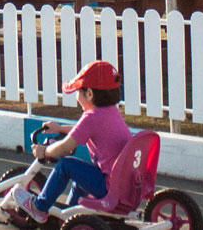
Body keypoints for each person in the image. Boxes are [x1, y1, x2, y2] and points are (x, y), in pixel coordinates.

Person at [7, 60, 130, 222]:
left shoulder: (91, 117)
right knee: (79, 182)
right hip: (123, 185)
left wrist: (45, 151)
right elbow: (82, 130)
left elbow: (66, 147)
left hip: (108, 187)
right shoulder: (110, 112)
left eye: (79, 91)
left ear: (90, 94)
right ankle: (68, 218)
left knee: (66, 165)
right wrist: (59, 128)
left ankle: (39, 207)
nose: (77, 96)